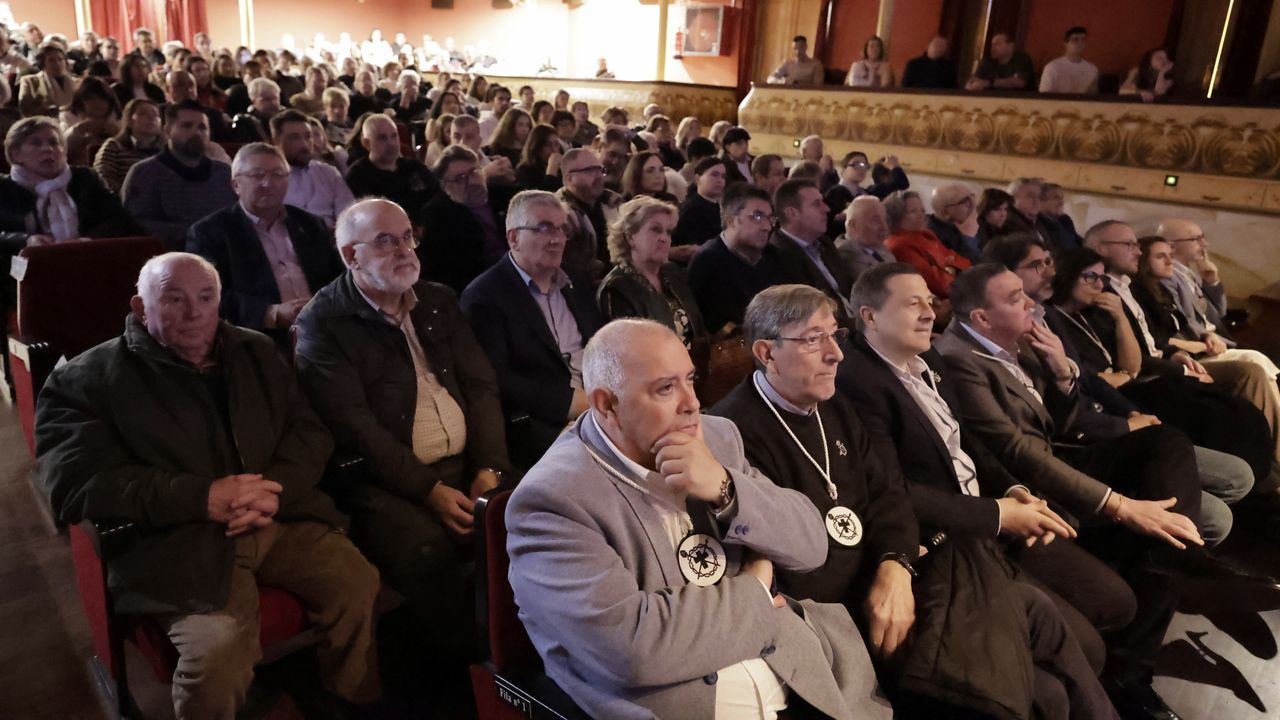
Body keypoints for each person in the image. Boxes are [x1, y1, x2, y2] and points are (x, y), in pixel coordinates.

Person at [713, 284, 1117, 719]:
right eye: (814, 340)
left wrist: (895, 566)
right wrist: (887, 574)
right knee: (1042, 685)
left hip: (894, 583)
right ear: (766, 352)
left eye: (836, 335)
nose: (836, 354)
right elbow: (784, 558)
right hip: (841, 614)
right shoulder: (730, 432)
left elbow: (889, 496)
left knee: (1034, 616)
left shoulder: (833, 406)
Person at [35, 252, 381, 719]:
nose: (195, 313)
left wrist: (269, 489)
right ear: (140, 307)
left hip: (277, 517)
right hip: (177, 541)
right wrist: (202, 498)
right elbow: (72, 485)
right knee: (219, 648)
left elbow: (310, 431)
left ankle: (347, 697)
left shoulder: (256, 350)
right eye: (174, 299)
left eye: (206, 297)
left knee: (355, 582)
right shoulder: (85, 379)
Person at [507, 317, 890, 720]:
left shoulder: (716, 437)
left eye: (689, 379)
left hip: (795, 679)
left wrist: (727, 489)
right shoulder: (553, 500)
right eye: (666, 388)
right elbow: (637, 651)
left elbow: (811, 546)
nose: (692, 402)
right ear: (607, 405)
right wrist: (757, 590)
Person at [294, 197, 509, 657]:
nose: (404, 250)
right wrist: (428, 490)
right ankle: (469, 668)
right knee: (426, 553)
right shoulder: (323, 322)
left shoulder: (437, 299)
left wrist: (489, 468)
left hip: (469, 465)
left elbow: (482, 386)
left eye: (408, 236)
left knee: (538, 514)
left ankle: (529, 644)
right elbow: (356, 427)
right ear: (352, 256)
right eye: (386, 241)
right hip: (385, 482)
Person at [1086, 221, 1278, 483]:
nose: (1137, 251)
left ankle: (1264, 468)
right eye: (1129, 245)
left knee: (1241, 402)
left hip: (1165, 364)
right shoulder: (1103, 293)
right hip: (1144, 379)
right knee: (1231, 400)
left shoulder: (1129, 286)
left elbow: (1160, 337)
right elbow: (1133, 361)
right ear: (1100, 248)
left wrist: (1177, 355)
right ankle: (1257, 476)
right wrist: (1182, 366)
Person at [460, 190, 603, 469]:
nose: (557, 239)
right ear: (513, 238)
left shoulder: (578, 281)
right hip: (543, 421)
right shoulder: (485, 296)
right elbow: (495, 378)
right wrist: (568, 403)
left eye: (562, 229)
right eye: (544, 228)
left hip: (601, 403)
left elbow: (602, 344)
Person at [1133, 237, 1280, 469]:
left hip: (1199, 348)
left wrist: (1212, 282)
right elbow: (1161, 340)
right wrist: (1198, 347)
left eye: (1169, 255)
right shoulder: (1142, 290)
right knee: (1252, 366)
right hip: (1188, 357)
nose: (1169, 260)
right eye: (1161, 256)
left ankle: (1271, 457)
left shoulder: (1163, 286)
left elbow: (1212, 315)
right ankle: (1271, 459)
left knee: (1257, 370)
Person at [186, 142, 342, 340]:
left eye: (277, 174)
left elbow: (337, 278)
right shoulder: (210, 232)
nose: (268, 183)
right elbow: (208, 296)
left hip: (321, 327)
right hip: (257, 336)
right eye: (257, 175)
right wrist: (271, 313)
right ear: (236, 184)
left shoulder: (311, 224)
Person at [0, 117, 141, 318]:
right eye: (36, 143)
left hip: (89, 267)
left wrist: (87, 242)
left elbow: (118, 220)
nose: (48, 149)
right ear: (15, 153)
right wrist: (26, 241)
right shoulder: (4, 189)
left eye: (54, 142)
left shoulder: (85, 180)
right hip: (23, 278)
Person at [121, 100, 237, 249]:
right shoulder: (145, 173)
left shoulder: (224, 173)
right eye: (187, 126)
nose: (197, 133)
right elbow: (139, 226)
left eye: (202, 127)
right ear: (168, 130)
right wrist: (198, 234)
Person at [598, 196, 706, 348]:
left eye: (668, 232)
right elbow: (631, 352)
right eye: (655, 229)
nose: (664, 238)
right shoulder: (616, 287)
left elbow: (699, 331)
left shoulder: (672, 273)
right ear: (630, 237)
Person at [688, 184, 787, 333]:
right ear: (730, 220)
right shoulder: (708, 262)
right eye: (757, 216)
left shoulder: (772, 255)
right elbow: (722, 329)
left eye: (770, 218)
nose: (767, 226)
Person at [419, 145, 518, 293]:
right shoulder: (437, 216)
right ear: (445, 186)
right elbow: (444, 272)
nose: (472, 181)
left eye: (474, 172)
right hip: (479, 288)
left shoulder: (506, 197)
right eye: (460, 179)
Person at [772, 179, 854, 324]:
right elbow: (809, 314)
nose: (827, 209)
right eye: (817, 204)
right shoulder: (778, 255)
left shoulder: (825, 243)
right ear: (792, 213)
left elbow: (848, 287)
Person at [263, 109, 352, 228]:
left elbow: (349, 214)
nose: (304, 144)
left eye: (308, 136)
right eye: (294, 138)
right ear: (276, 141)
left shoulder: (329, 173)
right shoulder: (265, 179)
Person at [345, 114, 441, 219]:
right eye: (382, 138)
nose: (391, 143)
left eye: (394, 135)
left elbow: (437, 197)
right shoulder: (358, 175)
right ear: (366, 143)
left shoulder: (414, 167)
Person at [883, 190, 971, 303]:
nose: (922, 214)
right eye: (913, 211)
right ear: (896, 216)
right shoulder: (899, 246)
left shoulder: (926, 234)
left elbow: (958, 260)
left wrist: (947, 269)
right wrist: (949, 268)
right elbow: (937, 283)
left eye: (922, 209)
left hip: (958, 287)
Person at [556, 147, 623, 276]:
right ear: (570, 178)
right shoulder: (560, 213)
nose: (598, 176)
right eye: (590, 171)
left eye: (600, 170)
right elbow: (574, 265)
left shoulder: (614, 203)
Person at [93, 98, 163, 193]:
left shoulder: (167, 150)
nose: (151, 117)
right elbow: (103, 179)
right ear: (129, 121)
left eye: (155, 114)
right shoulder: (114, 146)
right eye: (143, 113)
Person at [672, 156, 727, 254]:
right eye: (714, 175)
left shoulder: (725, 206)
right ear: (698, 178)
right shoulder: (690, 209)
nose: (720, 180)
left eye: (723, 176)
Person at [835, 195, 895, 281]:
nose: (884, 226)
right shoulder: (848, 256)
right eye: (875, 220)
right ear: (853, 225)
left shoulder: (878, 247)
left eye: (884, 219)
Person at [18, 44, 78, 117]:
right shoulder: (30, 82)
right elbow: (25, 109)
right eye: (51, 60)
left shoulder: (77, 82)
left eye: (60, 59)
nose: (57, 64)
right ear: (43, 63)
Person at [1039, 26, 1099, 95]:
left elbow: (1093, 97)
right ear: (1065, 43)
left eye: (1083, 39)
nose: (1080, 43)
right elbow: (1044, 97)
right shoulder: (1052, 67)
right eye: (1075, 39)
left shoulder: (1092, 69)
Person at [965, 33, 1035, 91]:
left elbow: (1020, 82)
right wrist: (972, 86)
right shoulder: (988, 62)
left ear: (1010, 46)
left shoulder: (1021, 59)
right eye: (992, 45)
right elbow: (973, 81)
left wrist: (989, 83)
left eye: (997, 44)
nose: (992, 48)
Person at [514, 123, 563, 192]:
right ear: (537, 147)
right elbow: (541, 197)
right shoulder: (525, 170)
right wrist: (552, 169)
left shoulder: (561, 167)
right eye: (548, 145)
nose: (554, 149)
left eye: (556, 144)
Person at [1039, 183, 1082, 252]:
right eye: (1056, 198)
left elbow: (1081, 243)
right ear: (1040, 201)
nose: (1061, 202)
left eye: (1062, 198)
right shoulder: (1036, 225)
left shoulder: (1064, 220)